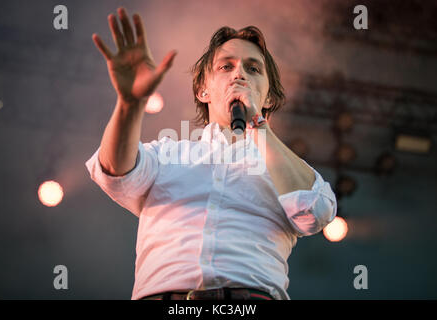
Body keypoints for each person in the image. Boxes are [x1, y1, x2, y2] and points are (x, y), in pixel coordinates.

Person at [86, 7, 337, 300]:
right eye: (225, 67)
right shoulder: (167, 153)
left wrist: (257, 125)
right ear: (203, 90)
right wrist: (129, 104)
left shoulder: (283, 168)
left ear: (268, 96)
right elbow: (115, 174)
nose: (239, 73)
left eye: (253, 68)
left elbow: (316, 212)